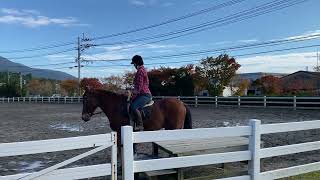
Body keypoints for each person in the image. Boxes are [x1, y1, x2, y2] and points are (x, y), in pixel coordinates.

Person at [130, 55, 152, 130]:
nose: (134, 66)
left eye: (134, 64)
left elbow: (139, 86)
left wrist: (133, 94)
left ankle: (140, 124)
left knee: (134, 107)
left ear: (136, 63)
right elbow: (146, 84)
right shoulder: (143, 70)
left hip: (144, 95)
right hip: (144, 93)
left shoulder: (140, 71)